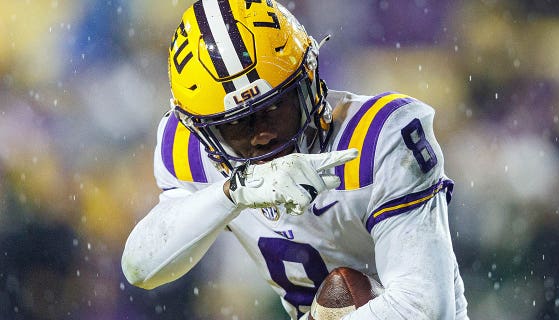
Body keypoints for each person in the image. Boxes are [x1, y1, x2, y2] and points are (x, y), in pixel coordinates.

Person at [121, 0, 469, 319]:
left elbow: (422, 306)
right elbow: (141, 267)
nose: (263, 136)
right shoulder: (189, 150)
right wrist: (235, 193)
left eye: (275, 108)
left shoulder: (379, 137)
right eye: (237, 126)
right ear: (200, 130)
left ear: (311, 80)